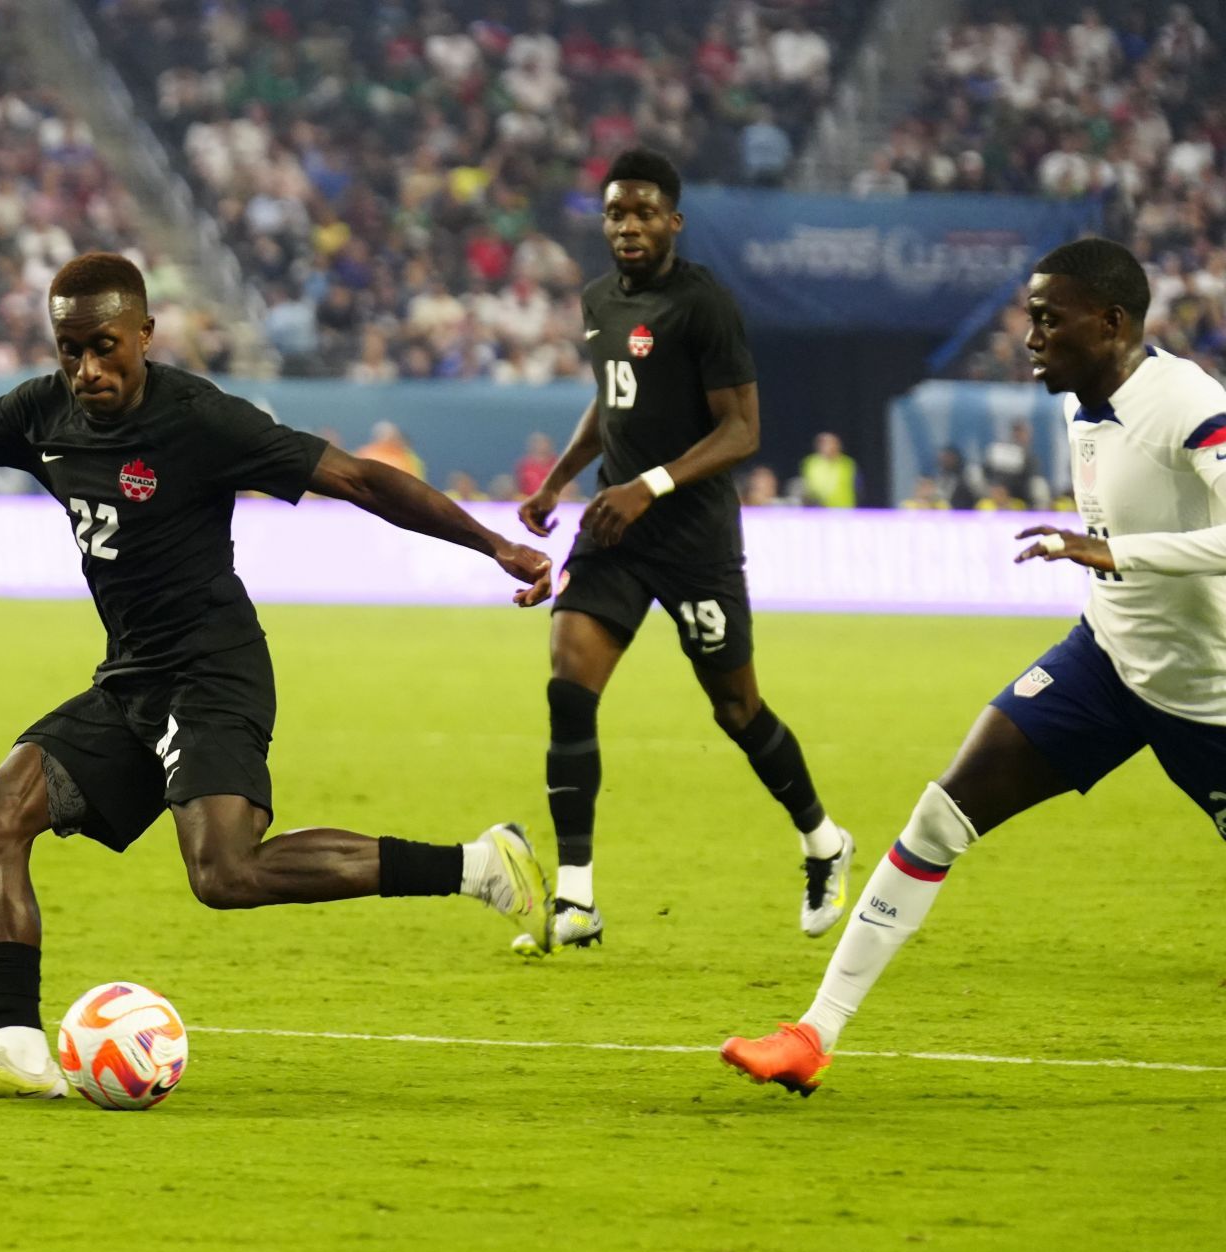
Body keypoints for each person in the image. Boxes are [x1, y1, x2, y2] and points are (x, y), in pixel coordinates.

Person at [0, 252, 556, 1100]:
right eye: (70, 349)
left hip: (213, 671)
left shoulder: (202, 421)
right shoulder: (42, 411)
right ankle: (21, 1051)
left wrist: (495, 544)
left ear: (146, 333)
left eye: (105, 347)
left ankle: (477, 865)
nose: (87, 368)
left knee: (224, 874)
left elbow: (360, 480)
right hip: (132, 679)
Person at [722, 237, 1226, 1093]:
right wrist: (1109, 568)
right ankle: (813, 1032)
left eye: (1046, 320)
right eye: (1027, 318)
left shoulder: (1188, 404)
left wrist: (1115, 553)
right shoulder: (1080, 400)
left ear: (1109, 322)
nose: (1029, 338)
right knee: (938, 816)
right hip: (1103, 664)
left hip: (1208, 700)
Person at [513, 148, 854, 957]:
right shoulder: (599, 301)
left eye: (642, 213)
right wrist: (560, 480)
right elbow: (611, 399)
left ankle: (823, 840)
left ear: (673, 221)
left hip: (694, 538)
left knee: (736, 709)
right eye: (615, 214)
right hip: (615, 534)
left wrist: (650, 486)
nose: (627, 227)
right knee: (570, 683)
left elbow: (743, 430)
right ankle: (577, 898)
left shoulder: (705, 304)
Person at [799, 431, 858, 508]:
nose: (829, 447)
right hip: (818, 510)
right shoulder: (810, 463)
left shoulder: (848, 463)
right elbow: (806, 485)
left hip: (843, 509)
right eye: (824, 444)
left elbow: (858, 488)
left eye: (832, 443)